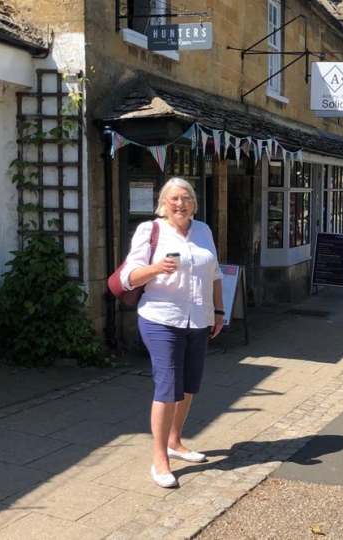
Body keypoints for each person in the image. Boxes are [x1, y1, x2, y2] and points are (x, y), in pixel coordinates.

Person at [120, 177, 224, 489]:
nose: (181, 204)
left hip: (198, 319)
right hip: (161, 319)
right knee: (168, 387)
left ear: (194, 202)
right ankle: (159, 460)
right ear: (163, 203)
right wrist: (156, 269)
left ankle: (175, 442)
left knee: (189, 385)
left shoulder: (203, 230)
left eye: (187, 198)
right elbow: (128, 277)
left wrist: (218, 312)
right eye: (174, 198)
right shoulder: (149, 231)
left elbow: (215, 272)